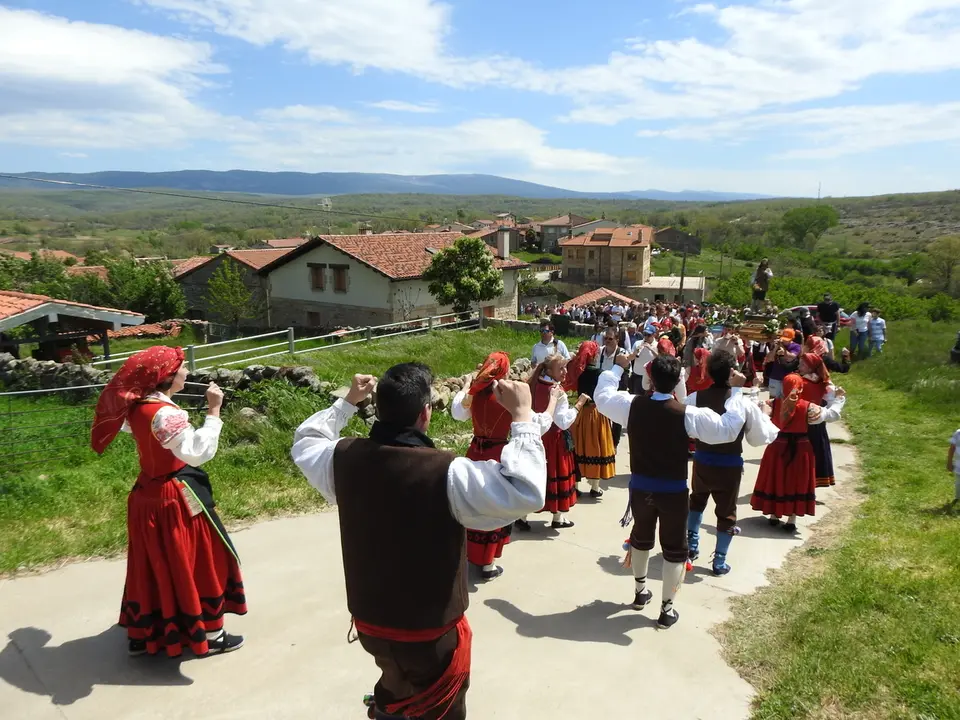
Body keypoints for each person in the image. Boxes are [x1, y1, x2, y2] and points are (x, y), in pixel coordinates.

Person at [292, 365, 547, 720]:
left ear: (379, 409)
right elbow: (525, 492)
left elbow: (306, 440)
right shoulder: (448, 473)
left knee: (394, 685)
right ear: (425, 413)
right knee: (439, 708)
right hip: (429, 635)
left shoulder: (342, 459)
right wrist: (522, 418)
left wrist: (347, 403)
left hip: (371, 626)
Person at [90, 346, 246, 658]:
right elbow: (196, 453)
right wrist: (214, 411)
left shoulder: (136, 407)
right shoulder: (166, 414)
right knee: (200, 556)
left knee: (153, 562)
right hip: (172, 498)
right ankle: (211, 634)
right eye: (182, 367)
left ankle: (144, 632)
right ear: (169, 377)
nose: (188, 372)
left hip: (145, 495)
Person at [595, 353, 749, 629]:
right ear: (679, 379)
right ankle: (667, 609)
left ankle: (640, 593)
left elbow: (603, 395)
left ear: (649, 378)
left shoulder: (632, 405)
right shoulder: (688, 414)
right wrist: (735, 392)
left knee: (640, 539)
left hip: (641, 489)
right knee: (675, 551)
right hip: (673, 493)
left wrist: (618, 366)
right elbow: (727, 430)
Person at [450, 352, 559, 581]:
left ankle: (469, 555)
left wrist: (466, 387)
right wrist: (552, 403)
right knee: (493, 503)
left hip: (475, 451)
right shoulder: (506, 398)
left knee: (472, 499)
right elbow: (539, 425)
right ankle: (488, 564)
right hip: (497, 454)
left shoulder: (475, 394)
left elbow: (458, 413)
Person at [686, 351, 779, 575]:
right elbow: (759, 437)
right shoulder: (742, 403)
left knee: (697, 501)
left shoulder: (695, 398)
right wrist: (763, 414)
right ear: (731, 372)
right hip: (729, 464)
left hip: (702, 459)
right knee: (726, 512)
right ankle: (719, 561)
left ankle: (691, 546)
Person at [750, 374, 846, 533]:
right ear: (801, 388)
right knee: (796, 481)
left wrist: (755, 388)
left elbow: (754, 410)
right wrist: (839, 399)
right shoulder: (808, 407)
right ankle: (791, 519)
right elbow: (831, 415)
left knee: (777, 477)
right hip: (801, 448)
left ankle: (774, 515)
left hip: (777, 447)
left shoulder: (772, 405)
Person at [516, 354, 588, 531]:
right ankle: (558, 516)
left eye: (565, 367)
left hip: (536, 437)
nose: (564, 372)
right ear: (549, 370)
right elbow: (563, 421)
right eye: (561, 368)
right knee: (555, 474)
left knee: (535, 476)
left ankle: (522, 516)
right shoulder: (557, 392)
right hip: (554, 440)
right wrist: (579, 404)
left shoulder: (534, 383)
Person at [568, 341, 616, 499]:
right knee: (596, 446)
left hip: (580, 412)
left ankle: (575, 486)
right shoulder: (599, 373)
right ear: (594, 354)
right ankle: (595, 487)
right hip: (596, 412)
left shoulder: (576, 371)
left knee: (579, 446)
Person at [798, 353, 843, 488]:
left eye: (803, 364)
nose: (799, 366)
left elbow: (831, 404)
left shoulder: (824, 384)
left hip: (815, 425)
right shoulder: (799, 380)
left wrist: (837, 397)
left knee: (814, 453)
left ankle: (809, 483)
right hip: (801, 423)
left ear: (811, 367)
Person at [597, 327, 630, 447]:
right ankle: (602, 441)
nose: (607, 341)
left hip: (617, 388)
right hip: (603, 388)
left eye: (610, 338)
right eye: (605, 338)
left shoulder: (622, 353)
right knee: (601, 415)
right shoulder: (599, 351)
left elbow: (626, 370)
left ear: (617, 339)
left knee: (616, 418)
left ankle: (614, 444)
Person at [641, 337, 688, 401]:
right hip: (671, 403)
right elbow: (681, 396)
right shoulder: (677, 368)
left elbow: (645, 386)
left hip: (653, 400)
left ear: (657, 350)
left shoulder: (649, 365)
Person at [763, 329, 801, 400]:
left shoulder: (796, 346)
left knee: (785, 399)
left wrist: (783, 349)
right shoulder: (777, 344)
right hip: (775, 376)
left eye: (787, 339)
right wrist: (775, 348)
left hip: (788, 378)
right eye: (784, 339)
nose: (785, 341)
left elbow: (791, 357)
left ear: (792, 338)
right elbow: (769, 359)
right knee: (772, 399)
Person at [948, 428, 960, 507]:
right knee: (958, 483)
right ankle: (958, 497)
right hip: (959, 465)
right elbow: (952, 448)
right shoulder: (958, 433)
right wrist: (949, 462)